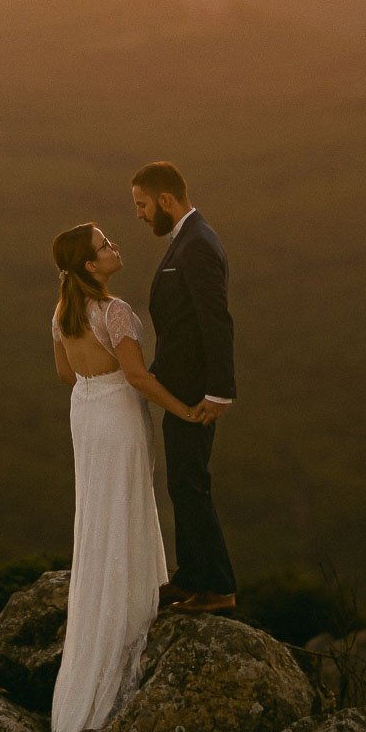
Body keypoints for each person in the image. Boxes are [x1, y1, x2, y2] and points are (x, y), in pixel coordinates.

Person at [47, 221, 200, 732]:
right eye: (104, 245)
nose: (114, 247)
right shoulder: (116, 312)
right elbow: (136, 376)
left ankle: (94, 636)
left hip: (85, 414)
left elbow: (67, 375)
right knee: (128, 507)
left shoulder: (62, 313)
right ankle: (128, 615)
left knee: (97, 513)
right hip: (116, 411)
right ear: (91, 265)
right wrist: (184, 410)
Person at [131, 160, 238, 615]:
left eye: (142, 204)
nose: (139, 214)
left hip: (196, 394)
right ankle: (194, 578)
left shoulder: (196, 244)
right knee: (182, 483)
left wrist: (219, 391)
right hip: (182, 390)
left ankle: (216, 588)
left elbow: (215, 319)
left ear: (167, 201)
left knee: (190, 484)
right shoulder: (188, 239)